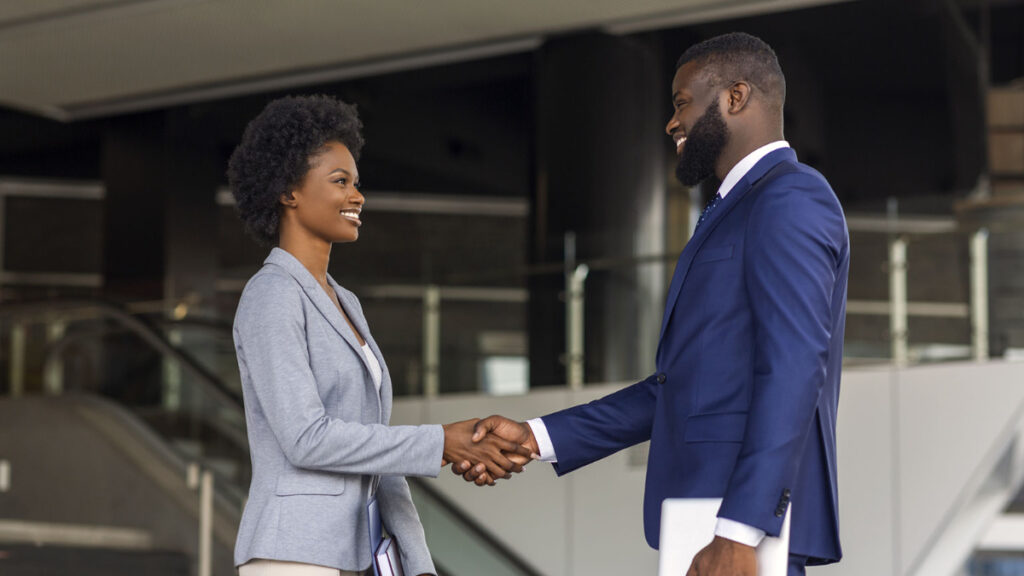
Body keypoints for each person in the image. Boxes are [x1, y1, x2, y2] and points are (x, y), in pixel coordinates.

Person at [455, 33, 848, 576]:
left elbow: (796, 368)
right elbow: (679, 389)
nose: (671, 122)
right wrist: (537, 436)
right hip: (704, 520)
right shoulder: (732, 209)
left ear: (735, 98)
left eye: (682, 101)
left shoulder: (789, 198)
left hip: (741, 533)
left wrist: (739, 530)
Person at [227, 95, 531, 576]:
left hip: (355, 555)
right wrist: (439, 443)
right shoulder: (271, 295)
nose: (357, 195)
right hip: (293, 555)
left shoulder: (345, 302)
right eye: (340, 181)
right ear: (288, 191)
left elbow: (376, 452)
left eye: (357, 182)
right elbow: (306, 439)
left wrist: (418, 563)